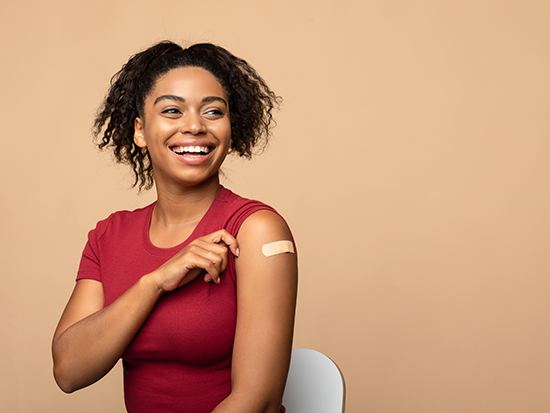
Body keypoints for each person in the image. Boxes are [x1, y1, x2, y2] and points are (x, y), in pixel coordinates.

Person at [52, 41, 298, 413]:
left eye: (213, 111)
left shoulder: (258, 231)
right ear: (139, 130)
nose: (195, 125)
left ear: (231, 128)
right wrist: (154, 283)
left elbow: (257, 401)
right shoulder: (109, 236)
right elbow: (69, 371)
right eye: (172, 110)